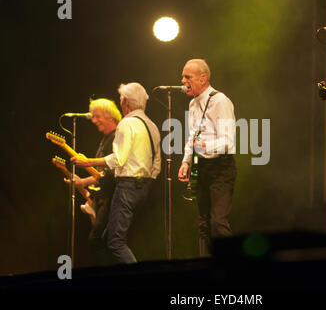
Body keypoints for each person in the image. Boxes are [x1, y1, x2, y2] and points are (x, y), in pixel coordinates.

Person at [72, 82, 161, 264]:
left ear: (125, 102)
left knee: (115, 242)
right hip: (143, 188)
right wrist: (146, 183)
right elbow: (157, 163)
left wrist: (87, 162)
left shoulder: (126, 123)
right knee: (106, 239)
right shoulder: (152, 125)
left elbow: (118, 159)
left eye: (121, 100)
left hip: (128, 185)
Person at [178, 59, 237, 256]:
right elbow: (191, 137)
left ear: (203, 78)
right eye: (183, 76)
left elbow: (228, 141)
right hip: (201, 166)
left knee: (218, 223)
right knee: (203, 223)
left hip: (221, 167)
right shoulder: (193, 104)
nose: (183, 80)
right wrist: (186, 161)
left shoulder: (220, 101)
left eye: (188, 77)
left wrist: (205, 145)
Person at [66, 98, 121, 266]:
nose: (94, 121)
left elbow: (110, 172)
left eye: (97, 117)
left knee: (99, 241)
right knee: (101, 241)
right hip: (104, 196)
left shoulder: (117, 137)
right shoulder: (106, 138)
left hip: (113, 196)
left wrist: (83, 180)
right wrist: (83, 182)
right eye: (93, 117)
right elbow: (101, 175)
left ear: (110, 116)